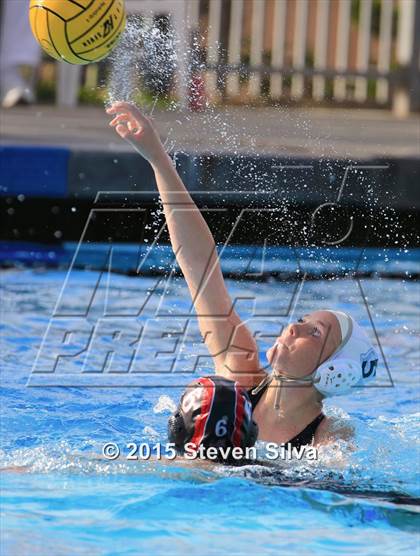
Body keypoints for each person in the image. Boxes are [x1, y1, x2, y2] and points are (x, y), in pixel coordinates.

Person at [106, 102, 379, 456]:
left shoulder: (330, 436)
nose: (293, 329)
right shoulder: (240, 374)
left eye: (315, 333)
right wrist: (158, 157)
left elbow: (334, 490)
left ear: (333, 372)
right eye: (300, 321)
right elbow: (200, 268)